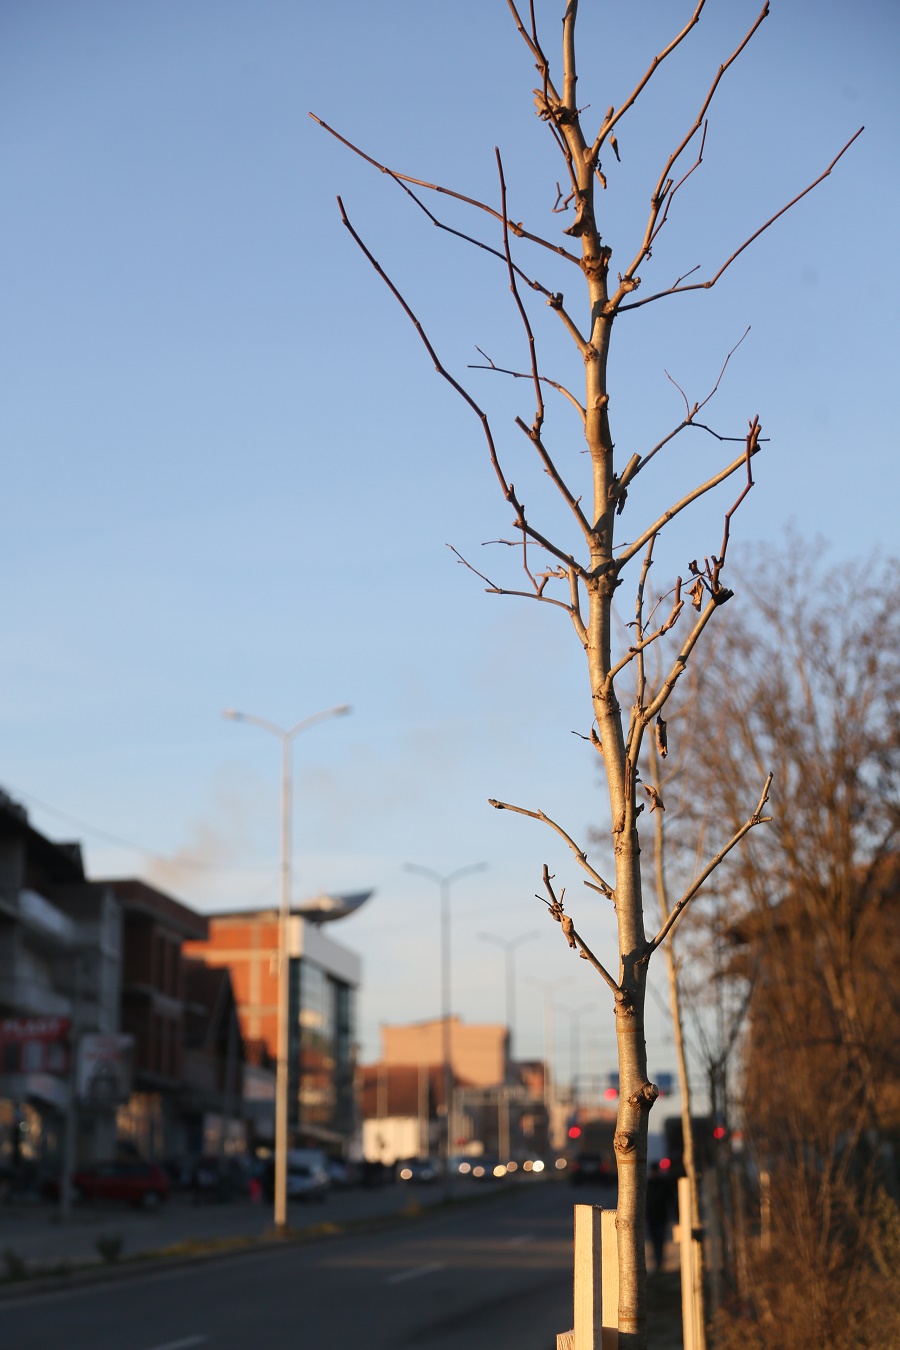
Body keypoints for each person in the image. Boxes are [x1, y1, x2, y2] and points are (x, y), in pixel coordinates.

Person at [645, 1161, 671, 1272]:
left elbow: (669, 1200)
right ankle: (658, 1262)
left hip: (660, 1217)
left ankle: (659, 1262)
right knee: (655, 1241)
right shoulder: (651, 1184)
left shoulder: (661, 1184)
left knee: (659, 1240)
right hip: (653, 1217)